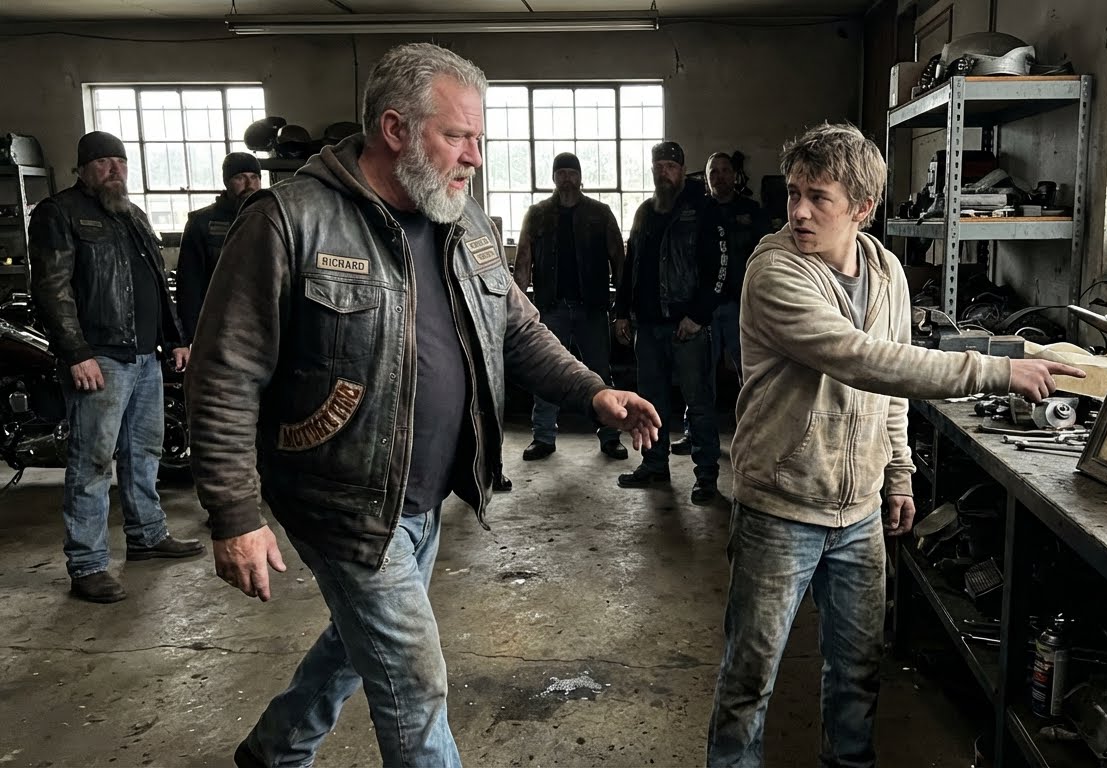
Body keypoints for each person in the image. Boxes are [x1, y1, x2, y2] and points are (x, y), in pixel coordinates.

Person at [185, 43, 660, 768]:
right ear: (395, 129)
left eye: (479, 138)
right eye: (457, 136)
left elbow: (517, 329)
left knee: (360, 641)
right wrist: (234, 514)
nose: (474, 156)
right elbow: (224, 372)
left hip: (425, 494)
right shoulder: (289, 222)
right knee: (414, 680)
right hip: (342, 499)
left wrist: (592, 391)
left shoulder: (463, 219)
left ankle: (274, 750)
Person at [706, 123, 1083, 767]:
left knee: (857, 673)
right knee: (749, 681)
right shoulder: (773, 273)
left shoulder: (886, 272)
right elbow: (864, 360)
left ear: (861, 207)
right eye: (793, 193)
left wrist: (900, 473)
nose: (798, 211)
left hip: (858, 516)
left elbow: (892, 391)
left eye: (817, 197)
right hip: (781, 506)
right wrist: (996, 369)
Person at [27, 130, 204, 604]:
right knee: (92, 461)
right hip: (99, 357)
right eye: (103, 162)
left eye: (120, 162)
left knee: (144, 451)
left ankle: (147, 535)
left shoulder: (132, 215)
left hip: (145, 355)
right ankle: (87, 564)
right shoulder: (59, 213)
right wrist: (76, 353)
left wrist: (175, 338)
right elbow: (52, 289)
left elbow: (157, 281)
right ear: (82, 169)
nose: (114, 170)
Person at [614, 141, 727, 504]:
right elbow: (630, 266)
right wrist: (621, 311)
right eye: (658, 166)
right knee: (650, 404)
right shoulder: (645, 212)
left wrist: (698, 316)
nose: (664, 172)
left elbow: (719, 269)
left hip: (686, 328)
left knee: (699, 404)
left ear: (681, 170)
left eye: (671, 166)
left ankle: (706, 476)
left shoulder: (703, 210)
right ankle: (654, 465)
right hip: (647, 328)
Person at [513, 151, 628, 462]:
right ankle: (543, 436)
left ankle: (610, 436)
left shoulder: (600, 214)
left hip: (592, 309)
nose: (567, 178)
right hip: (551, 309)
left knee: (600, 372)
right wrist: (516, 310)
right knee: (546, 372)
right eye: (561, 173)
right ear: (553, 178)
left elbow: (619, 262)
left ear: (580, 177)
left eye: (571, 173)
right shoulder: (537, 214)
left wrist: (623, 309)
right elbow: (523, 262)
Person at [671, 151, 771, 456]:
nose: (720, 177)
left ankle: (755, 436)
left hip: (743, 305)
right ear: (706, 178)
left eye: (726, 170)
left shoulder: (752, 211)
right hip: (704, 308)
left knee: (750, 372)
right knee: (699, 374)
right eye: (713, 172)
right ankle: (695, 433)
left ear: (735, 175)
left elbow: (768, 256)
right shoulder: (696, 212)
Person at [175, 152, 262, 341]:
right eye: (240, 177)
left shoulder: (271, 219)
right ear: (226, 182)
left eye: (255, 177)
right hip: (218, 329)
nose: (249, 184)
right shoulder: (201, 223)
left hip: (262, 327)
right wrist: (191, 339)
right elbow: (189, 286)